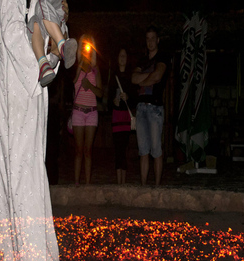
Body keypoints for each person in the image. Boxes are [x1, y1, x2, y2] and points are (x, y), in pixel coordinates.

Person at [0, 0, 63, 261]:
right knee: (21, 174)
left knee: (29, 171)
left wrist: (53, 53)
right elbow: (11, 33)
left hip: (27, 89)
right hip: (16, 89)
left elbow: (35, 34)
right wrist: (41, 66)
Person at [131, 25, 171, 186]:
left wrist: (143, 79)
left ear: (158, 40)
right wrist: (148, 78)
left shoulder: (163, 57)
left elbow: (158, 76)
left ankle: (156, 187)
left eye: (153, 38)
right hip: (140, 108)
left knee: (156, 150)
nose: (150, 42)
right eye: (148, 39)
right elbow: (133, 78)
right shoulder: (142, 59)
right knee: (143, 151)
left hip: (155, 108)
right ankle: (143, 186)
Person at [72, 34, 103, 185]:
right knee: (78, 150)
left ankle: (88, 184)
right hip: (78, 111)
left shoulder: (95, 69)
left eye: (89, 48)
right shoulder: (76, 66)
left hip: (91, 112)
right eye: (84, 48)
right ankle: (77, 183)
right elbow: (71, 83)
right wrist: (79, 70)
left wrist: (90, 86)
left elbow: (101, 93)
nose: (86, 50)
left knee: (88, 150)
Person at [27, 0, 77, 87]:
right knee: (34, 22)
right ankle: (45, 64)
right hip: (43, 59)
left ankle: (62, 46)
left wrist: (66, 14)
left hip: (53, 51)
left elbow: (62, 14)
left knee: (41, 4)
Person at [109, 47, 136, 184]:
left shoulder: (131, 76)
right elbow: (108, 97)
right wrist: (113, 101)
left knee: (124, 148)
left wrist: (128, 97)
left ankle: (123, 182)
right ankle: (118, 181)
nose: (122, 58)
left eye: (124, 55)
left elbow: (134, 98)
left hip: (125, 116)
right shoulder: (113, 76)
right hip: (116, 115)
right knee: (117, 148)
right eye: (120, 55)